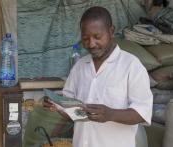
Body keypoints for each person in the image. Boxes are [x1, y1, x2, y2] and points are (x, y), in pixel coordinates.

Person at [44, 6, 153, 147]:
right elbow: (71, 111)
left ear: (111, 31)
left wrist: (111, 114)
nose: (91, 44)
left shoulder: (131, 66)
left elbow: (142, 113)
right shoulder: (79, 67)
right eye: (85, 38)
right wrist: (57, 105)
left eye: (97, 37)